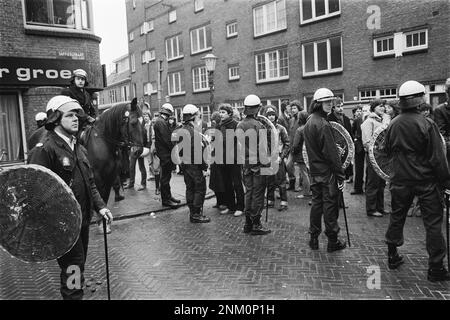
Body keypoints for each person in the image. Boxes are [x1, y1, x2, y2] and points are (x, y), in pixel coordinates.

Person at [28, 95, 113, 299]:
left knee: (78, 264)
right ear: (55, 118)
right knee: (73, 268)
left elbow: (90, 183)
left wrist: (101, 207)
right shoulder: (45, 150)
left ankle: (75, 291)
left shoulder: (78, 147)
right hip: (63, 227)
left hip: (81, 221)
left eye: (77, 115)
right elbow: (34, 193)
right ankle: (73, 295)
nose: (76, 119)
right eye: (70, 115)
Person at [384, 80, 450, 282]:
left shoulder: (393, 124)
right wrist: (446, 182)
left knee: (397, 217)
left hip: (400, 179)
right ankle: (436, 267)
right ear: (419, 98)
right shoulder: (426, 124)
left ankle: (392, 255)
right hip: (425, 181)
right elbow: (437, 158)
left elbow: (386, 151)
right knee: (433, 223)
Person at [303, 88, 346, 252]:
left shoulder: (309, 121)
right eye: (327, 102)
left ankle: (313, 238)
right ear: (318, 103)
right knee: (329, 206)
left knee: (316, 205)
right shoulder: (322, 124)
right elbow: (331, 154)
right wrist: (340, 174)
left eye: (331, 102)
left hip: (314, 171)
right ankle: (332, 241)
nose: (330, 105)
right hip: (326, 173)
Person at [236, 94, 271, 235]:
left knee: (248, 192)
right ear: (257, 109)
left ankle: (248, 223)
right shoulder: (259, 125)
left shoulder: (239, 124)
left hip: (246, 165)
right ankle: (256, 224)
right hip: (258, 165)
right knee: (258, 194)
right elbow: (263, 149)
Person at [179, 104, 210, 223]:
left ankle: (192, 212)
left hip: (185, 164)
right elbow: (197, 153)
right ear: (193, 117)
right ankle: (196, 214)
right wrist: (204, 166)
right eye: (198, 115)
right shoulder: (193, 132)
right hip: (194, 165)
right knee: (200, 188)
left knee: (190, 188)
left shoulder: (181, 130)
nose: (199, 118)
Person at [361, 99, 387, 217]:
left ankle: (380, 207)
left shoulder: (382, 121)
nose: (383, 108)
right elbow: (367, 141)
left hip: (381, 156)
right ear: (374, 107)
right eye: (380, 106)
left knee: (381, 183)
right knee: (373, 182)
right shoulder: (369, 122)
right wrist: (375, 151)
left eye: (383, 106)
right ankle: (371, 209)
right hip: (373, 156)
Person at [218, 103, 245, 216]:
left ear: (229, 113)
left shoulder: (236, 124)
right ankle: (231, 206)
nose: (221, 114)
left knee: (237, 183)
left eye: (223, 112)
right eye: (220, 112)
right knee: (227, 183)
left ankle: (240, 207)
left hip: (234, 158)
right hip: (223, 158)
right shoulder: (220, 125)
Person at [154, 103, 180, 208]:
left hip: (164, 153)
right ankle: (166, 200)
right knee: (165, 178)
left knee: (167, 177)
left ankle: (169, 197)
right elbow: (167, 139)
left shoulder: (161, 121)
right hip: (165, 154)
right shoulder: (161, 122)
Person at [265, 106, 290, 211]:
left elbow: (287, 144)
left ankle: (284, 201)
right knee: (269, 180)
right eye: (269, 115)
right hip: (267, 158)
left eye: (272, 115)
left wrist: (282, 156)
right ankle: (270, 200)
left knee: (281, 181)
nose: (271, 117)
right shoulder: (264, 128)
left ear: (275, 116)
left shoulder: (281, 128)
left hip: (278, 157)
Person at [328, 98, 353, 183]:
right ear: (333, 108)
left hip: (346, 147)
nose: (341, 108)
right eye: (338, 106)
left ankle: (347, 176)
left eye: (342, 106)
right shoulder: (329, 119)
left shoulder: (346, 119)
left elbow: (350, 134)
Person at [125, 114, 148, 191]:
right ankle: (133, 183)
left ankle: (143, 184)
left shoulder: (141, 127)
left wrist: (143, 146)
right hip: (135, 147)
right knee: (133, 166)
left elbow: (145, 136)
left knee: (140, 166)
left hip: (139, 147)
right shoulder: (133, 126)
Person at [209, 111, 227, 210]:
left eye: (214, 121)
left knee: (220, 181)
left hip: (220, 157)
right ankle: (219, 201)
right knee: (215, 181)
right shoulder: (217, 128)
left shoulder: (221, 127)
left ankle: (222, 202)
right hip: (215, 157)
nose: (212, 123)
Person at [291, 110, 311, 201]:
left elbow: (295, 144)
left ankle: (306, 193)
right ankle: (312, 191)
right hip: (310, 153)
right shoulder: (310, 127)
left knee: (304, 173)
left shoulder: (299, 130)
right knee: (309, 173)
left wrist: (293, 152)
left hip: (301, 154)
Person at [350, 106, 365, 195]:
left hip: (367, 145)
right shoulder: (356, 121)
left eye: (361, 111)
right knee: (359, 168)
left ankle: (364, 186)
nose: (359, 112)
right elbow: (351, 132)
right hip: (359, 146)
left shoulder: (365, 119)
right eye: (358, 111)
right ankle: (358, 188)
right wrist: (355, 139)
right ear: (354, 113)